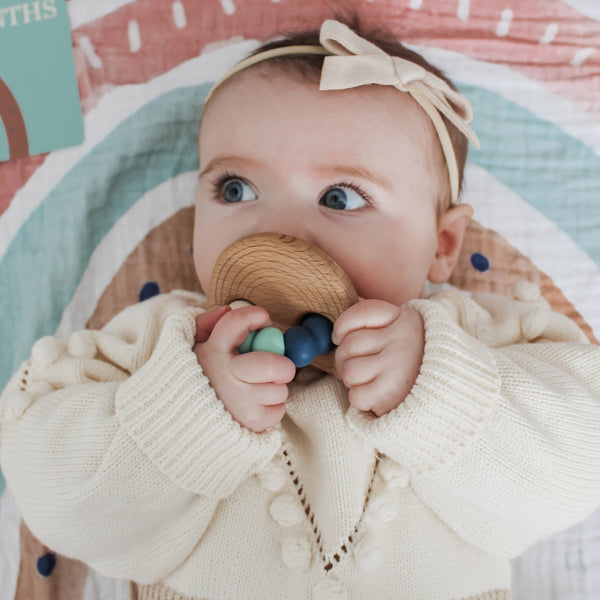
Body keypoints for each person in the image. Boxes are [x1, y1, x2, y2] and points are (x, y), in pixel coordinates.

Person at [1, 17, 599, 600]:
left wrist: (440, 390)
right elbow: (55, 498)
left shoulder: (479, 340)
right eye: (235, 190)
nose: (276, 230)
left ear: (441, 246)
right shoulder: (164, 345)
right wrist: (187, 410)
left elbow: (580, 467)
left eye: (340, 197)